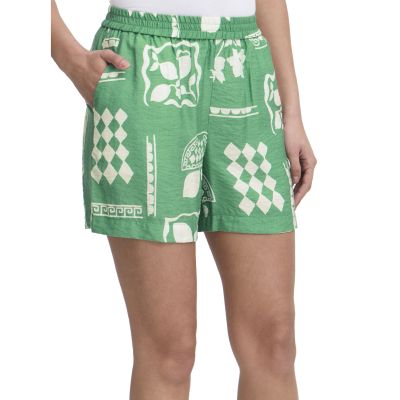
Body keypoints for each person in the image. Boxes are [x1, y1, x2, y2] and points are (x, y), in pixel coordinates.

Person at [51, 0, 317, 398]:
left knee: (275, 340)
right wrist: (70, 58)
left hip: (245, 66)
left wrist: (292, 112)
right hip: (142, 64)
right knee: (170, 352)